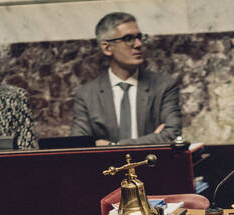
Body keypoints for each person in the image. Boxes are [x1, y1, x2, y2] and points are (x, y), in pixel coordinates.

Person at [70, 12, 182, 146]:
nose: (138, 44)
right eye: (128, 38)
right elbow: (79, 143)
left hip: (152, 164)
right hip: (107, 166)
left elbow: (172, 135)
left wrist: (113, 146)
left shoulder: (163, 86)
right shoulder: (87, 95)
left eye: (139, 37)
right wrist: (154, 139)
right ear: (107, 48)